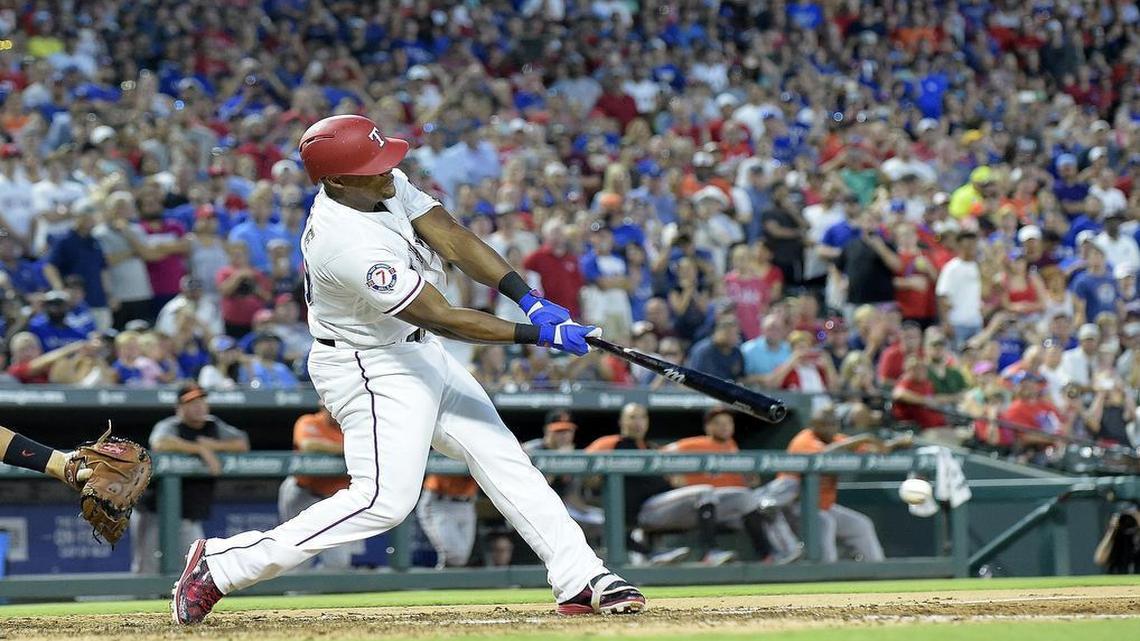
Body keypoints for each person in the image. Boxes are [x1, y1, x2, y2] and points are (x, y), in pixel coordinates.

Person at [172, 116, 644, 625]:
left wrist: (529, 300)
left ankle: (579, 575)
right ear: (337, 180)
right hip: (369, 364)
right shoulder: (344, 240)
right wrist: (538, 335)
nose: (389, 170)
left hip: (417, 352)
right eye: (374, 166)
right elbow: (440, 316)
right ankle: (222, 566)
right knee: (382, 501)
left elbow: (452, 236)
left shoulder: (377, 183)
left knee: (501, 455)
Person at [658, 407, 802, 566]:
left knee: (767, 507)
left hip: (731, 507)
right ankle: (711, 553)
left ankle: (778, 555)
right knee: (751, 501)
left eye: (728, 422)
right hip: (703, 505)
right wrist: (674, 474)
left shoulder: (732, 446)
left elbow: (744, 482)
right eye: (718, 423)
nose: (724, 426)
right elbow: (659, 455)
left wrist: (748, 479)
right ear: (708, 427)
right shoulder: (697, 443)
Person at [132, 384, 250, 574]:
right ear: (179, 408)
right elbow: (160, 442)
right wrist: (200, 449)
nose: (199, 406)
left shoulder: (213, 425)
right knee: (147, 567)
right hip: (154, 511)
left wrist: (213, 445)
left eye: (201, 401)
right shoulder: (171, 426)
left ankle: (181, 602)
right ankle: (142, 603)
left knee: (196, 568)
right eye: (191, 402)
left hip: (188, 515)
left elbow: (242, 443)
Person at [779, 406, 907, 563]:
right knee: (825, 522)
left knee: (861, 525)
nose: (830, 427)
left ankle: (877, 574)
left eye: (833, 423)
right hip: (795, 507)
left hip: (823, 507)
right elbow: (824, 456)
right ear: (813, 424)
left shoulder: (838, 439)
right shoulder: (804, 440)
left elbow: (874, 451)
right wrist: (861, 439)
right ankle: (826, 573)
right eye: (824, 424)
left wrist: (896, 443)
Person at [277, 405, 353, 570]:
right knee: (297, 554)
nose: (335, 410)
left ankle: (320, 591)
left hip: (335, 500)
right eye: (329, 406)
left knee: (339, 562)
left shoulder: (352, 426)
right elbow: (308, 445)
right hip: (303, 491)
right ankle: (295, 593)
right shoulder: (309, 421)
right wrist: (346, 448)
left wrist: (335, 448)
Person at [417, 471, 479, 569]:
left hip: (467, 503)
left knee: (462, 557)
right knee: (451, 554)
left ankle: (448, 579)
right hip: (441, 501)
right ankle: (439, 579)